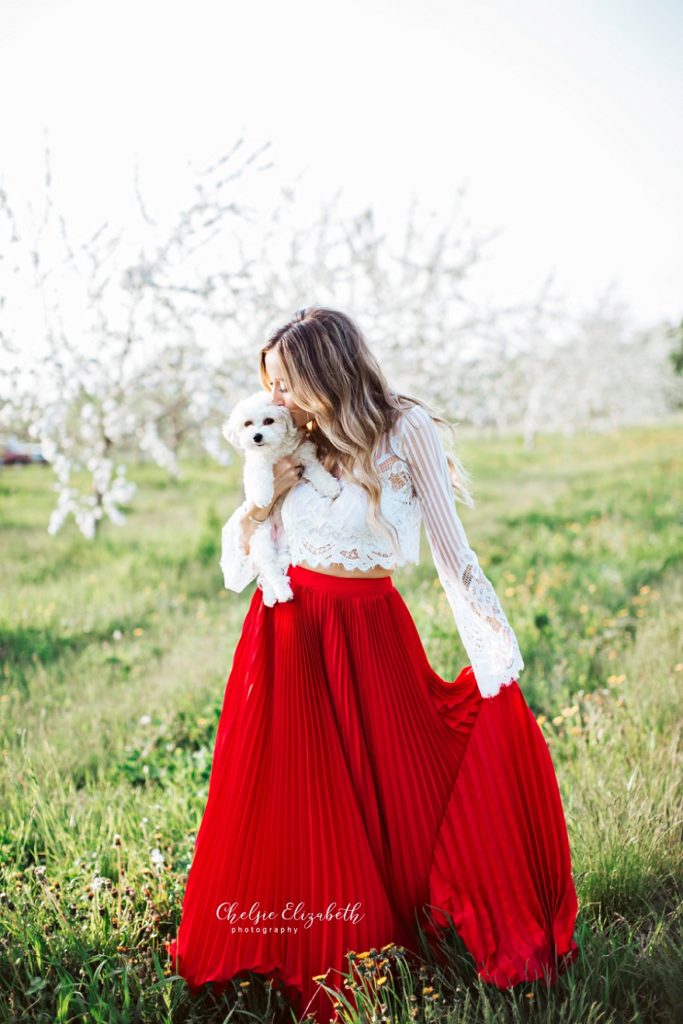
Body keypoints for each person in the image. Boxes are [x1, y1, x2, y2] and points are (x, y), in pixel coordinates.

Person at [165, 307, 579, 1021]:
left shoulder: (404, 429)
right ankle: (307, 938)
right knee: (293, 794)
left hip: (368, 629)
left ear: (329, 368)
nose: (280, 400)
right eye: (272, 387)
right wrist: (270, 500)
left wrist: (490, 644)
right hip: (286, 633)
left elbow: (451, 550)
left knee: (395, 775)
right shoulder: (290, 440)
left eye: (289, 383)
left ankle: (396, 926)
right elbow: (241, 555)